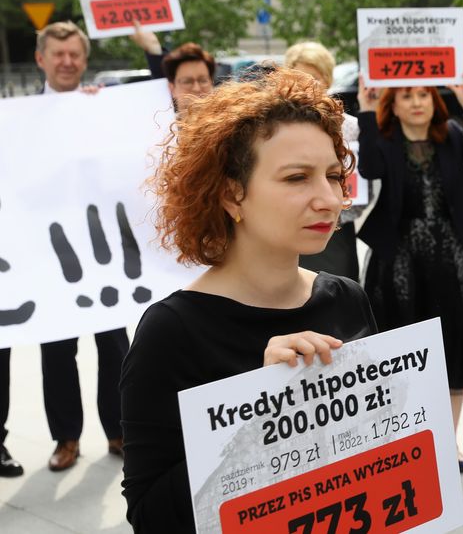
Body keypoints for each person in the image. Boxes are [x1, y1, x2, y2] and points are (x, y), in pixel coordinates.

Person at [120, 70, 376, 532]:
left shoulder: (347, 298)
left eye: (334, 176)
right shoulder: (171, 332)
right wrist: (260, 412)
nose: (328, 199)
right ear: (231, 195)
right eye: (297, 178)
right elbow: (149, 516)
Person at [355, 76, 463, 473]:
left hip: (451, 258)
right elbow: (367, 167)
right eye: (407, 96)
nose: (417, 102)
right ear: (393, 105)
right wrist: (367, 111)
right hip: (398, 262)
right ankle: (403, 442)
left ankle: (448, 442)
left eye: (424, 95)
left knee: (454, 348)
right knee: (398, 353)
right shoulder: (384, 139)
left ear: (435, 101)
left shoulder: (451, 134)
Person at [13, 21, 128, 474]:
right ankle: (67, 438)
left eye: (74, 54)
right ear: (40, 59)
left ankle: (119, 431)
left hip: (103, 249)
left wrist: (102, 113)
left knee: (114, 346)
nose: (66, 62)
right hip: (48, 254)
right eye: (58, 54)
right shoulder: (17, 118)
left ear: (84, 59)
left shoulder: (102, 109)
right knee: (57, 351)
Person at [284, 41, 363, 280]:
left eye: (314, 78)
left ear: (327, 80)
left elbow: (359, 192)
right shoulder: (276, 127)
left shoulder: (349, 126)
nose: (306, 85)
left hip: (336, 231)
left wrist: (330, 215)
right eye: (299, 77)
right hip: (289, 226)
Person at [161, 42, 216, 116]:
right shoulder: (160, 123)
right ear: (172, 88)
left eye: (203, 81)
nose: (197, 88)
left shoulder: (229, 121)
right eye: (187, 82)